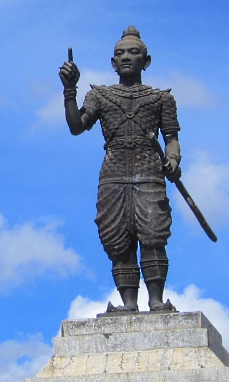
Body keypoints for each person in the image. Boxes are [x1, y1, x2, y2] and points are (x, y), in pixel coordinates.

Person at [59, 26, 181, 313]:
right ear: (112, 63)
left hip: (149, 171)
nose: (126, 57)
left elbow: (171, 138)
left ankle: (155, 299)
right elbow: (77, 126)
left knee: (153, 233)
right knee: (118, 236)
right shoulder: (100, 96)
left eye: (133, 52)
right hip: (113, 173)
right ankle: (128, 302)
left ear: (146, 61)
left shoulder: (161, 99)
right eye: (120, 54)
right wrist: (69, 91)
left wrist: (173, 160)